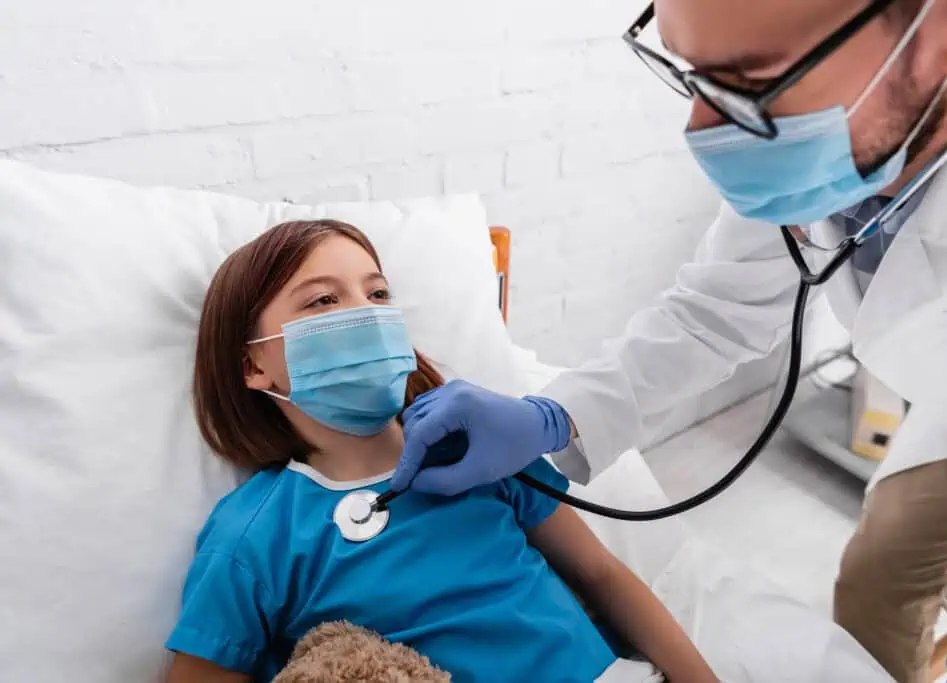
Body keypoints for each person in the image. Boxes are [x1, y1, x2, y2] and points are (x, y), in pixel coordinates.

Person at [391, 1, 947, 682]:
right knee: (884, 566)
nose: (703, 132)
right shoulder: (831, 137)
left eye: (754, 83)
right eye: (696, 79)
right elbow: (715, 310)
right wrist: (554, 416)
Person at [162, 219, 719, 683]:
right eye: (324, 300)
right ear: (254, 365)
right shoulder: (254, 536)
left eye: (378, 294)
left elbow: (601, 576)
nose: (368, 313)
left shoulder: (483, 449)